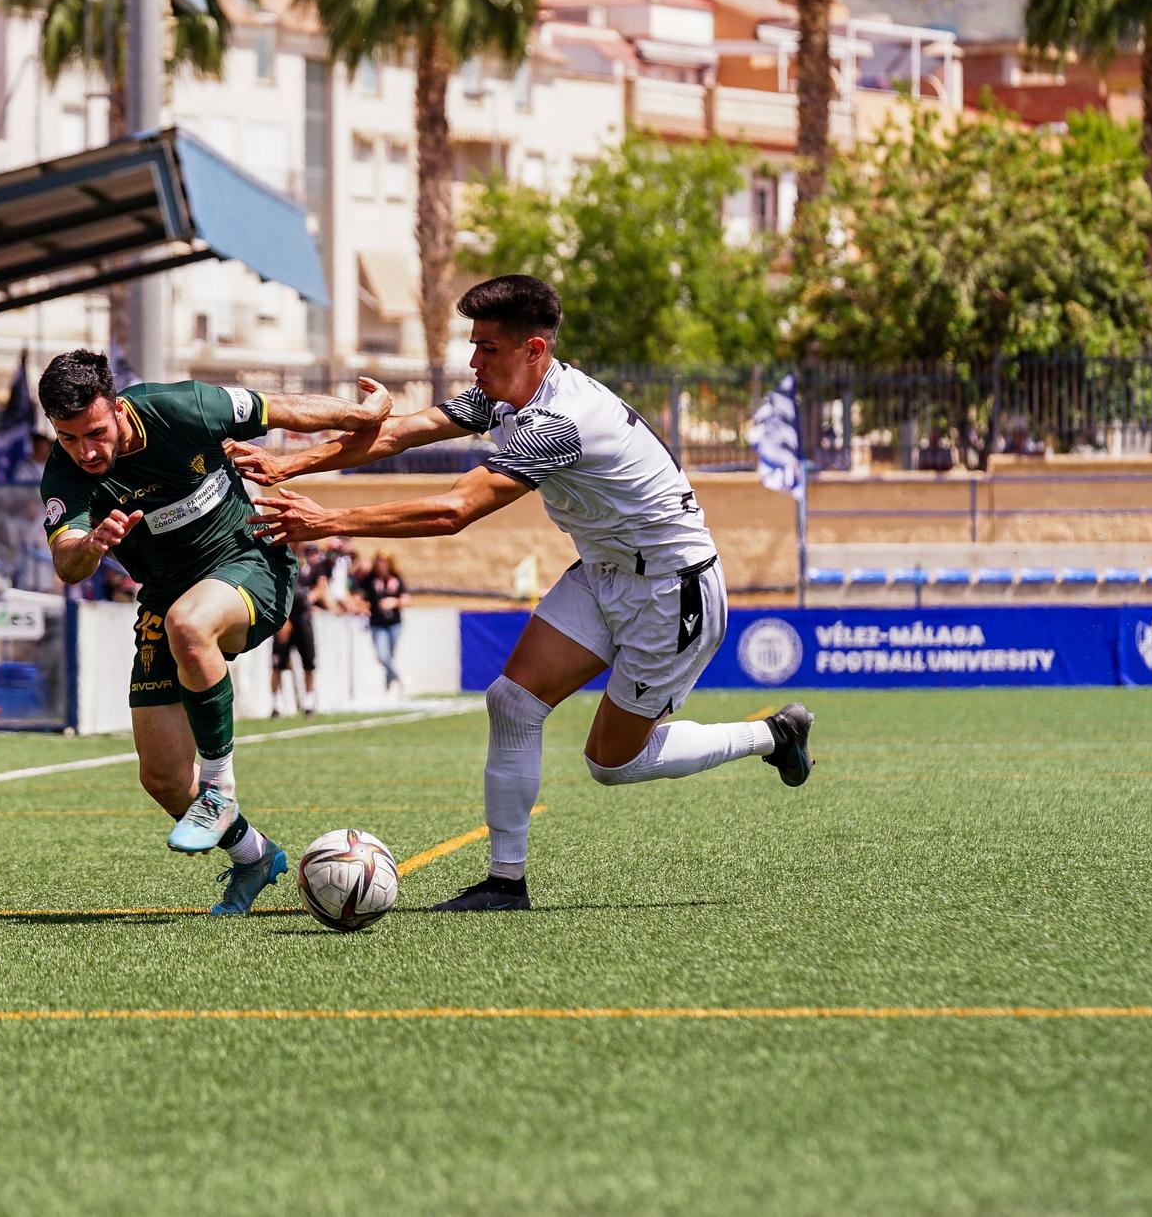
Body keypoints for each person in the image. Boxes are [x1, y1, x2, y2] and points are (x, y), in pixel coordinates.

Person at [242, 274, 814, 913]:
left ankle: (772, 735)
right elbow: (400, 432)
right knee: (512, 702)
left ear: (533, 349)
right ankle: (505, 882)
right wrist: (287, 465)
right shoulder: (503, 397)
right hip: (603, 572)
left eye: (487, 348)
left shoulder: (557, 423)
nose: (473, 360)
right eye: (474, 345)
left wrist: (326, 523)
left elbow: (454, 511)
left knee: (612, 762)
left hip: (670, 591)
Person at [38, 348, 389, 915]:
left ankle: (219, 786)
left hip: (250, 562)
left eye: (95, 433)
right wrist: (92, 543)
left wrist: (362, 414)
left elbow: (285, 409)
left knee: (190, 623)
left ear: (117, 407)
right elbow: (66, 562)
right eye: (69, 437)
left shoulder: (182, 408)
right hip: (165, 597)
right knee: (162, 779)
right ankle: (254, 857)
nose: (87, 451)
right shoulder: (65, 472)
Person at [271, 544, 330, 717]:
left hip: (303, 618)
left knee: (309, 661)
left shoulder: (314, 564)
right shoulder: (281, 559)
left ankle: (309, 700)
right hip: (284, 617)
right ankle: (276, 702)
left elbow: (321, 586)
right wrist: (282, 620)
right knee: (277, 663)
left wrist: (311, 597)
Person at [358, 551, 410, 693]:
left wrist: (394, 602)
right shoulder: (371, 579)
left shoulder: (396, 578)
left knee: (389, 656)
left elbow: (407, 599)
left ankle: (388, 685)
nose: (380, 565)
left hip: (395, 623)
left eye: (383, 562)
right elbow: (359, 594)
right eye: (378, 562)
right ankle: (399, 678)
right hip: (377, 623)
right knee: (382, 656)